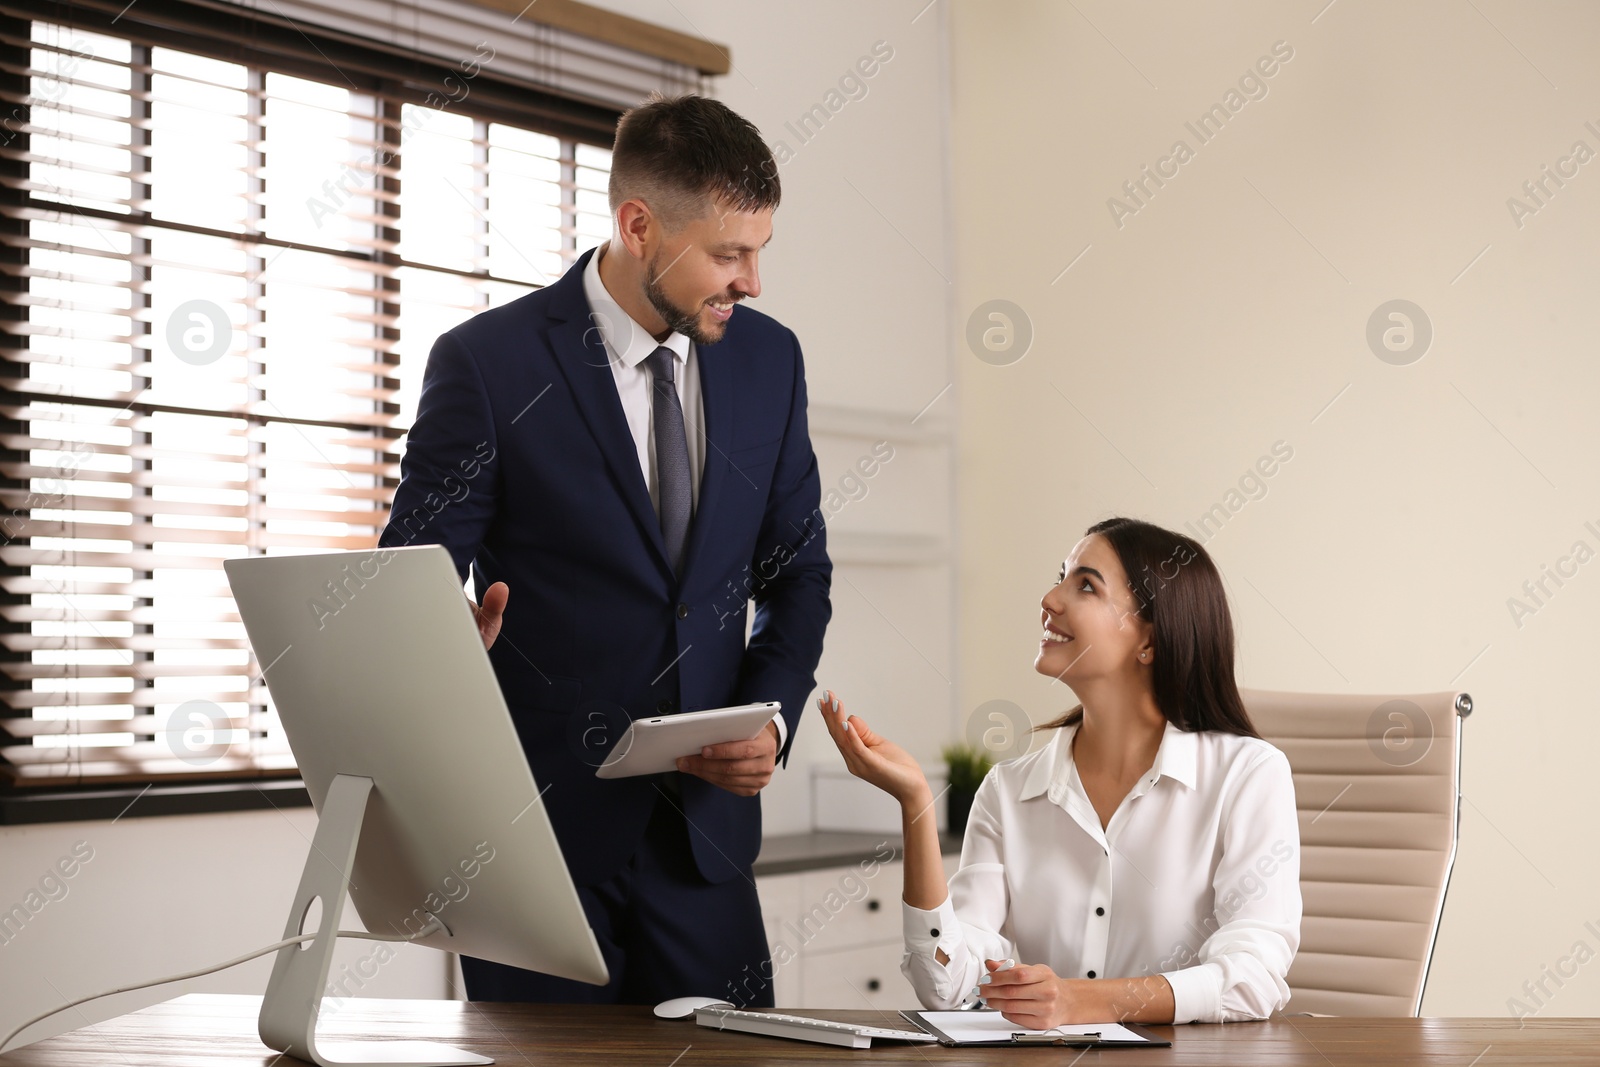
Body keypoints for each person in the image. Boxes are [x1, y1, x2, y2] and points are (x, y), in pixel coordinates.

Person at [377, 94, 832, 1007]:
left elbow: (798, 573)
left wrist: (771, 719)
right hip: (535, 851)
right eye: (727, 253)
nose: (751, 281)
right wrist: (438, 653)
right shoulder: (489, 365)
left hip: (706, 846)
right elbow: (402, 590)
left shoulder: (769, 360)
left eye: (760, 252)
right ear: (637, 225)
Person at [819, 517, 1300, 1028]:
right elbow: (947, 989)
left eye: (1086, 585)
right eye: (1061, 577)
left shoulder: (1247, 774)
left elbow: (1253, 975)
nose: (1050, 598)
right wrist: (916, 803)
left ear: (1150, 642)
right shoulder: (1008, 790)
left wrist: (1086, 1001)